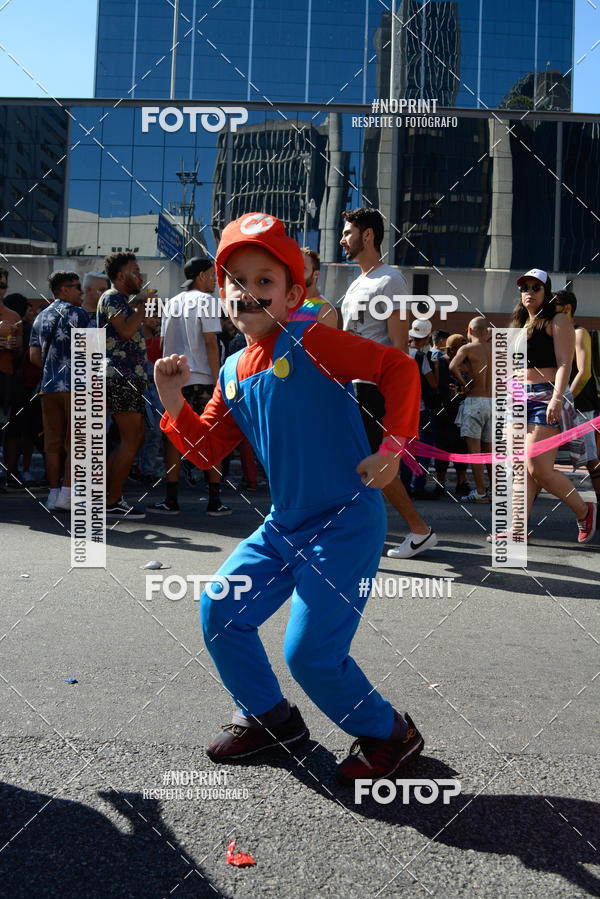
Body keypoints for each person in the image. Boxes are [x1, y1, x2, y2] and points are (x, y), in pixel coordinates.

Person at [155, 212, 424, 784]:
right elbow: (205, 452)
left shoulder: (311, 339)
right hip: (284, 526)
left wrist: (393, 445)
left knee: (310, 656)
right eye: (236, 281)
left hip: (346, 522)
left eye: (265, 281)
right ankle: (270, 718)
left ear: (292, 293)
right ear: (220, 292)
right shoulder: (229, 371)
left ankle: (390, 733)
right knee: (220, 610)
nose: (247, 292)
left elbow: (396, 366)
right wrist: (173, 400)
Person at [339, 207, 438, 559]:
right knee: (354, 465)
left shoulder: (389, 280)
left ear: (368, 236)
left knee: (375, 465)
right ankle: (364, 532)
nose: (342, 238)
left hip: (373, 388)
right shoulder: (355, 284)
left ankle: (419, 529)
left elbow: (398, 348)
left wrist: (392, 395)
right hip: (352, 386)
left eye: (348, 232)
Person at [504, 269, 595, 543]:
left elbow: (566, 363)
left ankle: (584, 510)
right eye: (524, 287)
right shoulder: (520, 324)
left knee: (538, 467)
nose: (528, 292)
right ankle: (517, 529)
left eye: (535, 287)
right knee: (520, 468)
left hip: (546, 396)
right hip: (519, 398)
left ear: (546, 292)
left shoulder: (557, 320)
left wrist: (557, 398)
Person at [148, 256, 229, 516]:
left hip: (174, 382)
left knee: (174, 438)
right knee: (212, 435)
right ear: (202, 276)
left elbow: (162, 346)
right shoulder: (206, 301)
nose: (215, 281)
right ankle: (214, 500)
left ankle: (171, 499)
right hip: (203, 378)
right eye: (212, 275)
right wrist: (218, 379)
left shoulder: (171, 303)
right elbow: (209, 342)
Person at [29, 271, 89, 511]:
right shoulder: (79, 314)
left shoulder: (40, 317)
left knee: (52, 442)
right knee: (76, 442)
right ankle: (68, 492)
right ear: (64, 289)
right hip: (76, 386)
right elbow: (91, 353)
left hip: (48, 386)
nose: (81, 292)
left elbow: (34, 356)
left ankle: (53, 494)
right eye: (76, 287)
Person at [97, 252, 149, 520]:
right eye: (135, 271)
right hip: (120, 375)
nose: (140, 276)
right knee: (130, 437)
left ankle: (109, 497)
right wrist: (141, 306)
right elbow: (126, 330)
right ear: (120, 276)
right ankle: (111, 500)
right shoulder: (112, 297)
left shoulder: (123, 300)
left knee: (133, 437)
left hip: (129, 375)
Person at [556, 290, 600, 506]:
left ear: (567, 308)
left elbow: (584, 373)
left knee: (591, 459)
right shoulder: (553, 332)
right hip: (554, 405)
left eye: (553, 306)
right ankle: (521, 517)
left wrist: (565, 399)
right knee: (540, 460)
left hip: (580, 406)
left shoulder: (579, 332)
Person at [449, 316, 493, 502]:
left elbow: (452, 366)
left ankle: (481, 492)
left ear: (469, 330)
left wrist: (463, 383)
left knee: (475, 451)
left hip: (475, 401)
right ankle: (494, 490)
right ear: (486, 332)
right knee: (490, 451)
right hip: (493, 402)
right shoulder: (497, 349)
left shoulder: (467, 348)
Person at [401, 319, 438, 499]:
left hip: (401, 408)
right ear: (427, 337)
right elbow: (433, 383)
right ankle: (419, 486)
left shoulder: (399, 351)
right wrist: (436, 366)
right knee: (423, 448)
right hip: (420, 408)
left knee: (405, 447)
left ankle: (405, 485)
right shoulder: (421, 357)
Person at [289, 248, 338, 327]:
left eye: (302, 268)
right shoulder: (287, 302)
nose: (297, 273)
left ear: (316, 274)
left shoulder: (325, 310)